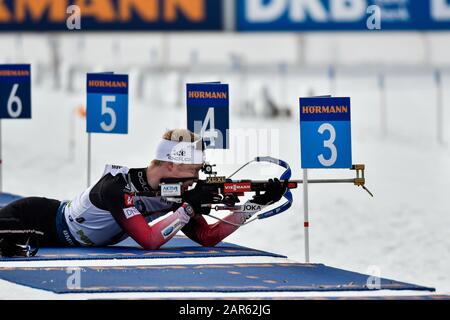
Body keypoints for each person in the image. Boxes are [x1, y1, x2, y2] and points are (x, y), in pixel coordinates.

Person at [0, 129, 287, 257]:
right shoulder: (116, 186)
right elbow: (149, 241)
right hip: (38, 218)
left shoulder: (177, 191)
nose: (197, 180)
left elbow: (206, 237)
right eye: (195, 171)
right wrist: (187, 209)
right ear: (172, 165)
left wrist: (255, 204)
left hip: (61, 232)